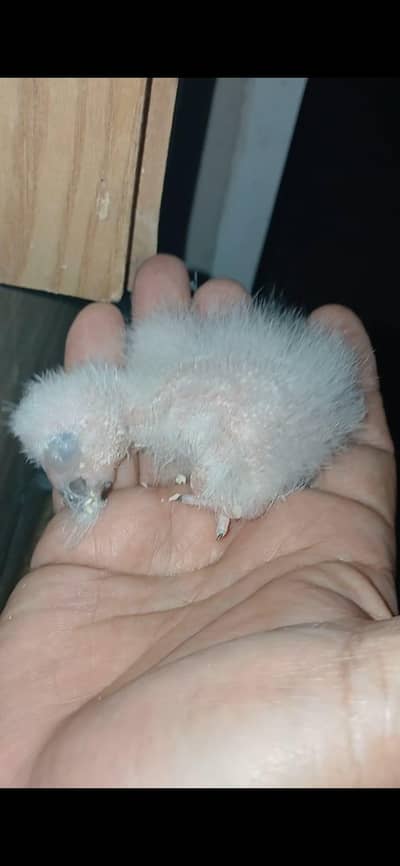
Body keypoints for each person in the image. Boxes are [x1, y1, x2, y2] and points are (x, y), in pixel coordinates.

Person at [0, 254, 397, 787]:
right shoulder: (158, 365)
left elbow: (243, 446)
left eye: (68, 459)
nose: (75, 485)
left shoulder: (174, 393)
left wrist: (232, 492)